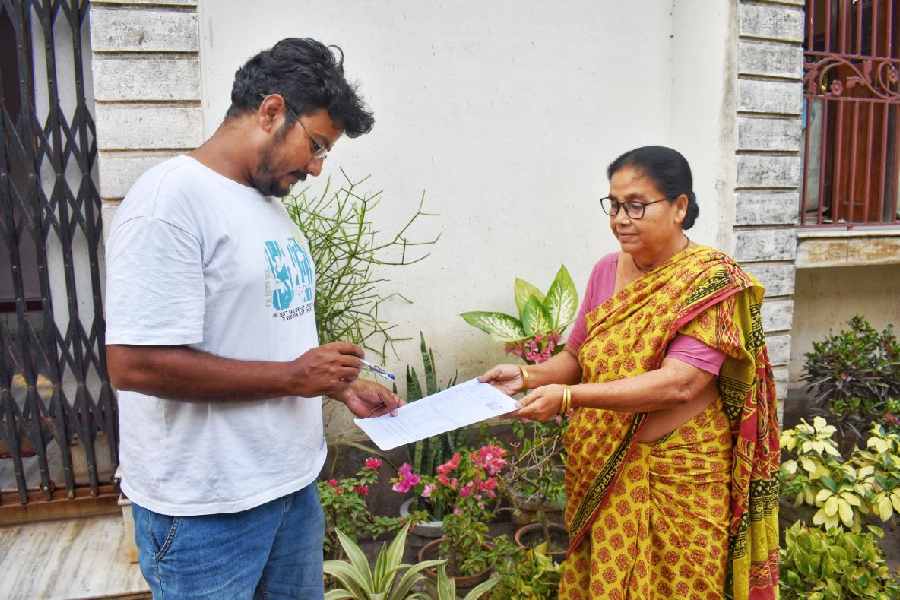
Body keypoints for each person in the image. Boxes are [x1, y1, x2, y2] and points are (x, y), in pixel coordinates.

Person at [105, 38, 401, 600]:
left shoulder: (268, 207)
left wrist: (337, 386)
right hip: (206, 513)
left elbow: (262, 338)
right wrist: (293, 377)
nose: (316, 167)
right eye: (316, 145)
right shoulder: (168, 202)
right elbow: (135, 365)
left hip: (289, 491)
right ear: (271, 111)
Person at [480, 146, 780, 600]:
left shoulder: (709, 282)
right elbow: (576, 357)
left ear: (679, 206)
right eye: (615, 205)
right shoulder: (606, 270)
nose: (621, 219)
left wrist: (569, 398)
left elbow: (680, 384)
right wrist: (527, 376)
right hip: (603, 466)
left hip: (681, 476)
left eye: (636, 205)